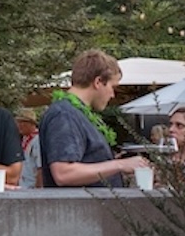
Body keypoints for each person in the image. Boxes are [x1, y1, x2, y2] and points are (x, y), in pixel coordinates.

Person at [40, 50, 147, 187]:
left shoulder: (76, 113)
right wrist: (119, 165)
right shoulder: (64, 115)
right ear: (98, 82)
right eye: (113, 87)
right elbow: (63, 173)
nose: (113, 95)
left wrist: (113, 166)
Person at [15, 109, 42, 188]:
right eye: (18, 122)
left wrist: (38, 190)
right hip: (23, 186)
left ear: (31, 124)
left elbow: (40, 168)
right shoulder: (24, 139)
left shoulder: (37, 140)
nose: (19, 125)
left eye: (22, 122)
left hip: (32, 187)